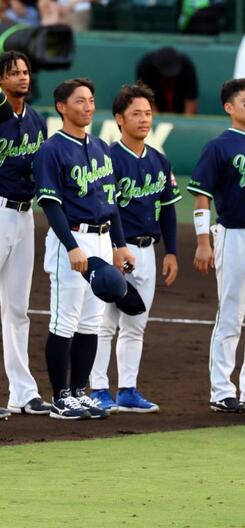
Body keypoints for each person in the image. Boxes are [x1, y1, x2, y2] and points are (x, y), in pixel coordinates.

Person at [33, 77, 136, 420]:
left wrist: (119, 245)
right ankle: (61, 396)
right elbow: (51, 205)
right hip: (72, 239)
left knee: (91, 322)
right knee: (65, 321)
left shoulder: (101, 147)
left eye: (91, 100)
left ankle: (80, 392)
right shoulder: (51, 149)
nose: (88, 107)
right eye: (80, 101)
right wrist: (72, 246)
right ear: (62, 107)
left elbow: (112, 202)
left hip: (104, 239)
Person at [89, 82, 181, 414]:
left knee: (136, 322)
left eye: (147, 113)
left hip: (147, 251)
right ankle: (98, 388)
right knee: (104, 323)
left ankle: (127, 388)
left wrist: (171, 251)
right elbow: (106, 208)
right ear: (119, 119)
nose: (144, 119)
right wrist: (115, 246)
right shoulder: (108, 158)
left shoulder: (158, 158)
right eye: (136, 114)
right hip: (116, 248)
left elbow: (168, 207)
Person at [188, 79, 245, 415]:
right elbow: (201, 196)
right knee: (231, 316)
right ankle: (222, 390)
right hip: (234, 234)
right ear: (229, 107)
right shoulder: (218, 146)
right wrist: (203, 242)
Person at [0, 51, 50, 418]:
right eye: (13, 72)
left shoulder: (35, 120)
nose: (22, 77)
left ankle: (22, 391)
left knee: (18, 309)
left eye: (25, 71)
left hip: (24, 216)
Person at [135, 47, 198, 115]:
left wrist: (185, 122)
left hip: (180, 107)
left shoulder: (187, 66)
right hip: (156, 106)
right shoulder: (145, 66)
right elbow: (145, 100)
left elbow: (191, 100)